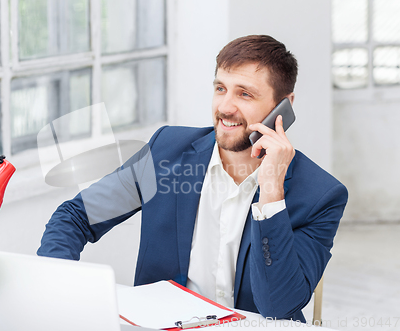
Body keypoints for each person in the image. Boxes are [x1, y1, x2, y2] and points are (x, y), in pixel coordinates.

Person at [37, 35, 348, 322]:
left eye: (245, 94)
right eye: (220, 88)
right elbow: (77, 216)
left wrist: (271, 192)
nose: (225, 107)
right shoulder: (166, 153)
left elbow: (278, 306)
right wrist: (63, 285)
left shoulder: (320, 196)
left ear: (284, 107)